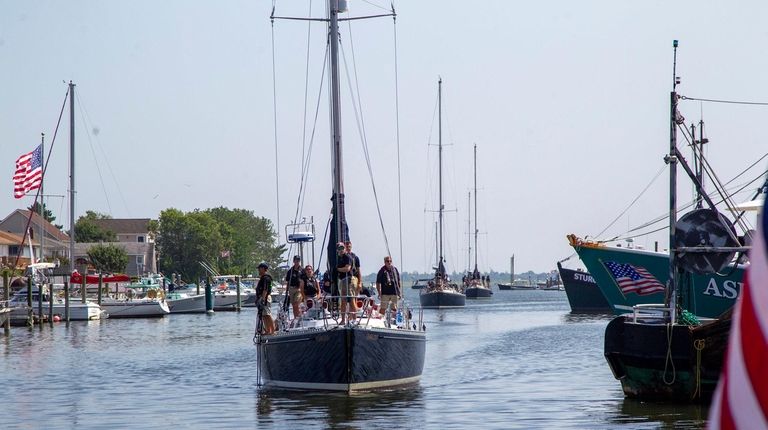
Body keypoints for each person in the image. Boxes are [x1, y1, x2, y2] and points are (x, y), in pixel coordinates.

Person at [335, 241, 355, 324]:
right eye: (339, 248)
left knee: (350, 299)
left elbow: (347, 268)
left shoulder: (347, 257)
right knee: (343, 300)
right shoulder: (338, 258)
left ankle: (354, 318)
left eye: (342, 248)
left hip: (347, 279)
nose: (341, 250)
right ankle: (343, 319)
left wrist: (338, 269)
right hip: (341, 280)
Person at [256, 262, 275, 335]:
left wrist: (263, 299)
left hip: (265, 298)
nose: (259, 270)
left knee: (267, 314)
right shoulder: (263, 278)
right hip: (262, 297)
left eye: (260, 269)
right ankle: (268, 330)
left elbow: (265, 289)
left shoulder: (266, 278)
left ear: (263, 269)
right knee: (264, 315)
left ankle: (272, 331)